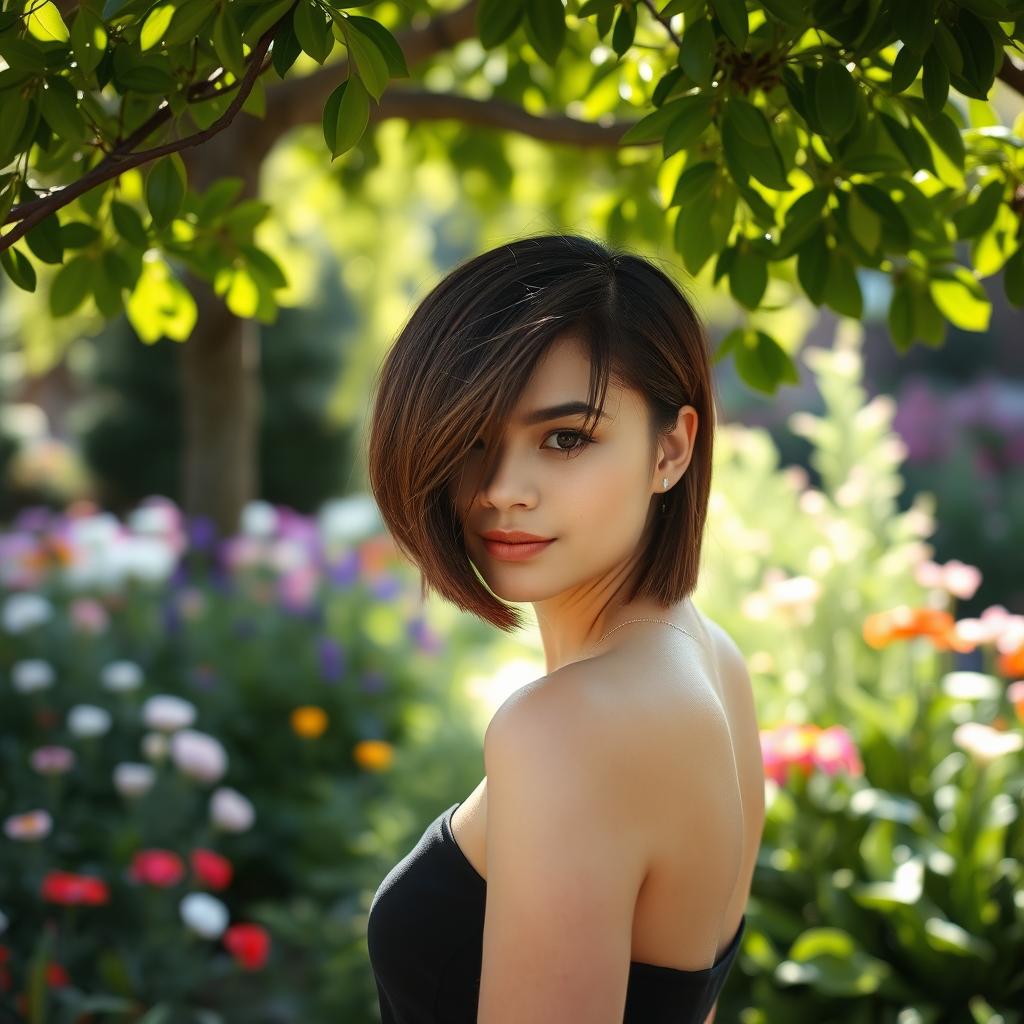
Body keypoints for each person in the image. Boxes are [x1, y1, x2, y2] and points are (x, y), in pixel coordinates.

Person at [364, 233, 764, 1023]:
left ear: (672, 449)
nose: (503, 490)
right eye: (473, 440)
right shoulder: (712, 662)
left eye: (566, 438)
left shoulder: (568, 729)